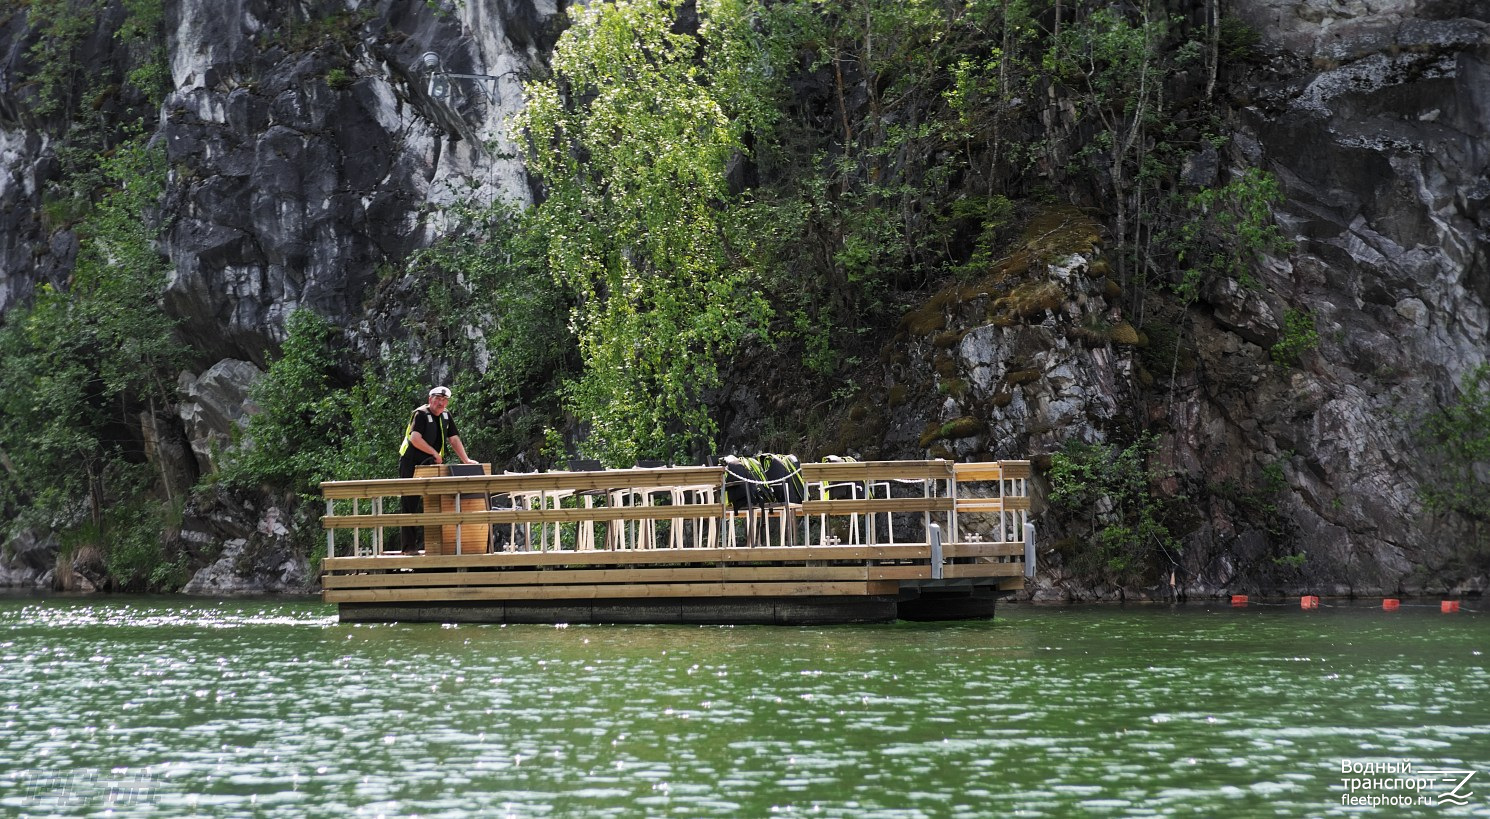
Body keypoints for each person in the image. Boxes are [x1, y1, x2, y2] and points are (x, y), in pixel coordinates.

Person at [396, 386, 477, 554]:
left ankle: (438, 546)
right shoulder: (421, 414)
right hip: (411, 462)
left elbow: (454, 439)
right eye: (438, 399)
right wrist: (434, 452)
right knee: (410, 502)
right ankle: (409, 547)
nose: (441, 403)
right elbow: (415, 439)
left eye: (444, 400)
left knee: (436, 501)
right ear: (430, 399)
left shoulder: (446, 415)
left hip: (431, 464)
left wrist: (466, 460)